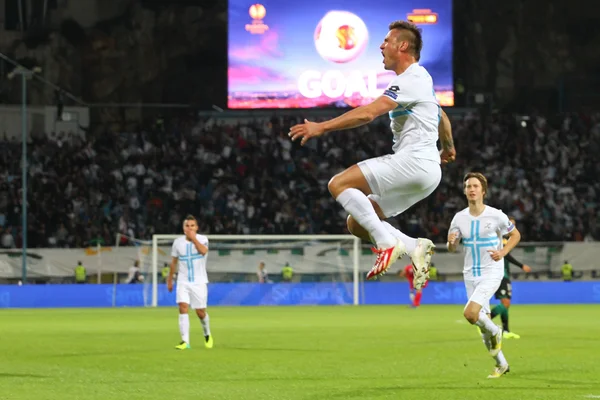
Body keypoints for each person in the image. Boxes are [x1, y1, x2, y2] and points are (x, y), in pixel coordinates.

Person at [289, 20, 455, 286]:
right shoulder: (421, 79)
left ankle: (387, 242)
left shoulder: (411, 78)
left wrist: (322, 127)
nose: (381, 45)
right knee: (357, 223)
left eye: (387, 41)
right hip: (427, 172)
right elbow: (441, 114)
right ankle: (413, 246)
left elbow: (367, 113)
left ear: (402, 46)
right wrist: (448, 147)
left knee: (338, 184)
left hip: (414, 163)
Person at [447, 172, 522, 378]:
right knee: (482, 327)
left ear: (483, 191)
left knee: (470, 314)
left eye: (475, 186)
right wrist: (452, 243)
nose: (471, 189)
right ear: (464, 191)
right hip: (470, 274)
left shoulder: (496, 215)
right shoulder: (459, 218)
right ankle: (502, 364)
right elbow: (452, 248)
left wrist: (503, 253)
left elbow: (515, 235)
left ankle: (498, 331)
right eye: (468, 186)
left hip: (492, 271)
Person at [167, 215, 213, 350]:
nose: (190, 228)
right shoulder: (177, 242)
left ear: (197, 227)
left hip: (199, 282)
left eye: (192, 226)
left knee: (200, 312)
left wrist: (193, 239)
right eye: (187, 226)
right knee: (182, 307)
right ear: (183, 228)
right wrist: (170, 279)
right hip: (183, 280)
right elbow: (174, 262)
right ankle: (185, 341)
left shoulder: (203, 239)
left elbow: (203, 251)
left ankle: (207, 333)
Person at [490, 218, 532, 339]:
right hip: (500, 274)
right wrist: (521, 265)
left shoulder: (505, 239)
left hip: (504, 274)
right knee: (506, 303)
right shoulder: (501, 240)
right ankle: (485, 322)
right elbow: (506, 255)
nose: (512, 226)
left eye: (514, 225)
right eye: (510, 224)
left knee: (506, 303)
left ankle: (506, 331)